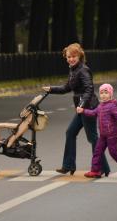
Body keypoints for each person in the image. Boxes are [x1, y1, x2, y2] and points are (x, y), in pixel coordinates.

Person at [42, 43, 110, 176]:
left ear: (79, 56)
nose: (71, 59)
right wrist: (51, 89)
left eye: (73, 56)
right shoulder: (73, 69)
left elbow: (89, 89)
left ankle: (102, 168)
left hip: (88, 107)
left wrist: (82, 104)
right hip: (81, 108)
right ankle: (68, 165)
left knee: (93, 138)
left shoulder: (83, 70)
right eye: (68, 57)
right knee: (70, 132)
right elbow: (67, 88)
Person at [77, 83, 117, 178]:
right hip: (103, 135)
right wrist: (83, 111)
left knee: (113, 153)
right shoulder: (100, 106)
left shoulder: (112, 106)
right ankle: (95, 171)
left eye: (106, 92)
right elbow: (93, 112)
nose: (103, 95)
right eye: (101, 93)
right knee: (97, 151)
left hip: (112, 134)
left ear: (111, 94)